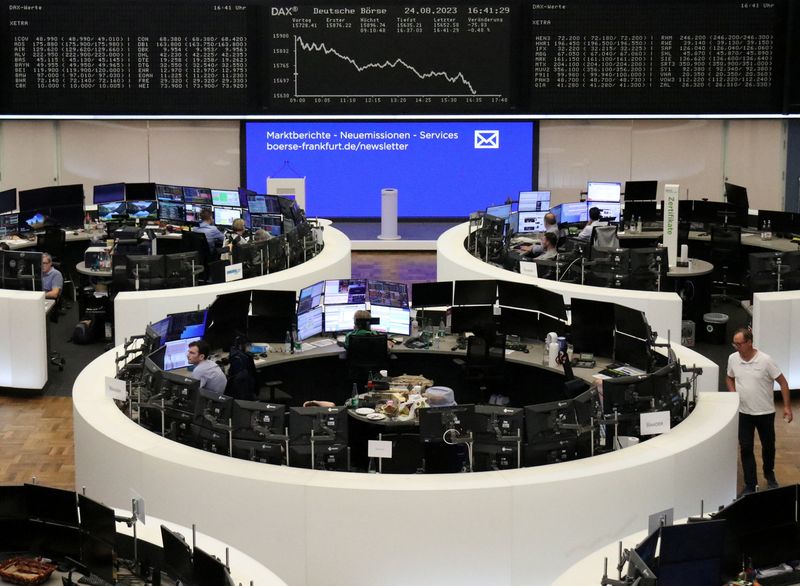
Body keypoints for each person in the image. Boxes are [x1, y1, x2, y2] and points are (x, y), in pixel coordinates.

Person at [726, 327, 792, 496]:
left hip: (765, 413)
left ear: (749, 343)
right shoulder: (733, 359)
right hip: (744, 413)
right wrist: (733, 393)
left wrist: (787, 407)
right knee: (746, 448)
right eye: (735, 344)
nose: (737, 347)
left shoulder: (766, 361)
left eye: (740, 344)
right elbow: (729, 377)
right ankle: (750, 484)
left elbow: (783, 383)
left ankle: (769, 475)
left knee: (768, 447)